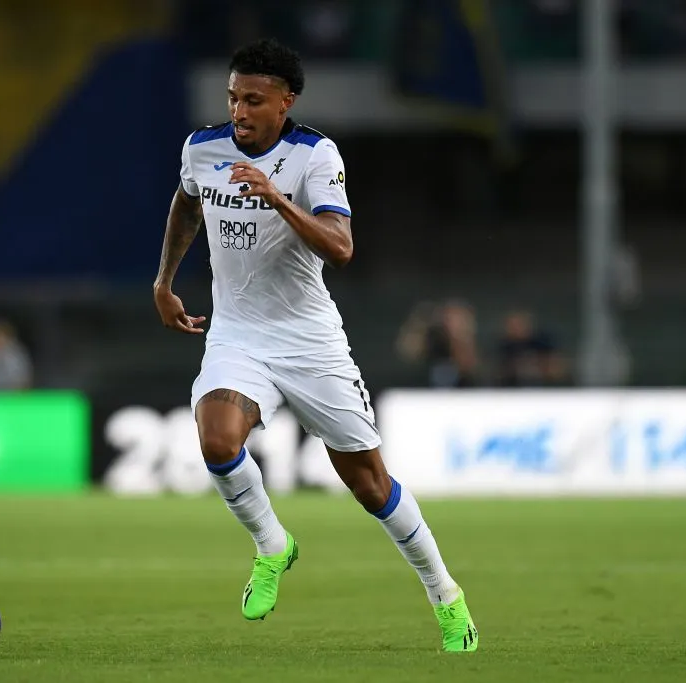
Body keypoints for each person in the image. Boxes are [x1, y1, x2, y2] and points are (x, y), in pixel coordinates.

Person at [152, 38, 477, 652]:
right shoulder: (204, 148)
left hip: (310, 342)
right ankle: (273, 544)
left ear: (284, 102)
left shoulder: (313, 156)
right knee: (216, 438)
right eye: (232, 97)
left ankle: (444, 593)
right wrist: (165, 281)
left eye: (252, 100)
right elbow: (185, 205)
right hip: (238, 334)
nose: (239, 111)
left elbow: (342, 246)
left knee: (370, 486)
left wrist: (275, 198)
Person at [396, 299, 480, 388]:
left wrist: (461, 341)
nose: (454, 325)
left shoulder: (471, 347)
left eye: (461, 320)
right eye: (449, 319)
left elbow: (471, 369)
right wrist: (419, 324)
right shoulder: (432, 343)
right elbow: (408, 353)